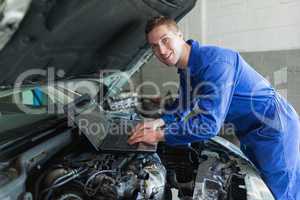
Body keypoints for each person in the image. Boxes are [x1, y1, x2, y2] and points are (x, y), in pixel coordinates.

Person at [127, 16, 300, 200]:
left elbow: (208, 126)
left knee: (282, 193)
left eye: (165, 40)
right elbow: (182, 107)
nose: (161, 50)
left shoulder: (215, 63)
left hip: (274, 126)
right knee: (263, 189)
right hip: (251, 131)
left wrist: (160, 135)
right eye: (154, 46)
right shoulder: (187, 69)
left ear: (179, 35)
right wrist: (157, 122)